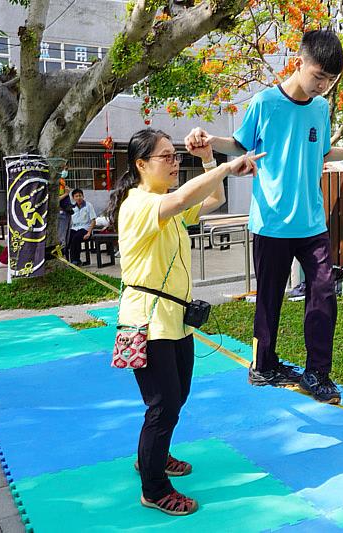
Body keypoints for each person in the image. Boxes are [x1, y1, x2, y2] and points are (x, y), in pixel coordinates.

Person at [186, 29, 343, 404]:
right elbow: (241, 144)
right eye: (318, 77)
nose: (323, 86)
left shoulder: (321, 108)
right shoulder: (264, 103)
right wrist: (209, 141)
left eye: (329, 80)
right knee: (269, 299)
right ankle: (263, 366)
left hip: (312, 224)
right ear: (299, 64)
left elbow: (323, 152)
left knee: (324, 293)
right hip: (271, 223)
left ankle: (317, 373)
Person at [107, 128, 263, 516]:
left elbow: (214, 198)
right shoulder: (138, 203)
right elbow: (182, 198)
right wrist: (229, 167)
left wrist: (210, 158)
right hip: (146, 321)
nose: (175, 163)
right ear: (141, 164)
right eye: (166, 157)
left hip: (176, 319)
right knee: (162, 406)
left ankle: (153, 457)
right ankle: (154, 488)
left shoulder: (166, 204)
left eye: (176, 156)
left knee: (176, 399)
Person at [67, 188, 96, 266]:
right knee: (68, 238)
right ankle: (69, 260)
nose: (78, 198)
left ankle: (75, 260)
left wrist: (89, 233)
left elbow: (93, 220)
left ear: (83, 196)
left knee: (76, 238)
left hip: (85, 228)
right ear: (73, 198)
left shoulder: (88, 205)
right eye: (76, 196)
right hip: (74, 228)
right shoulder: (72, 207)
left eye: (80, 196)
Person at [57, 168, 73, 249]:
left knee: (66, 236)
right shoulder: (56, 183)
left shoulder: (62, 182)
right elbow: (56, 199)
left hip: (66, 213)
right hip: (61, 213)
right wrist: (66, 194)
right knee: (61, 237)